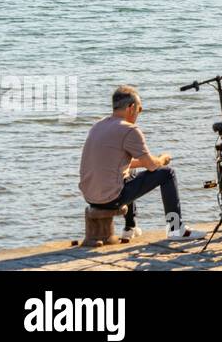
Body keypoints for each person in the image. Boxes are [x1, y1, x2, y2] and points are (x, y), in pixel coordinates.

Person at [79, 85, 204, 241]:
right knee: (167, 173)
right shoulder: (129, 130)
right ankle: (175, 229)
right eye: (140, 109)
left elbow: (114, 164)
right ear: (131, 108)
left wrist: (147, 162)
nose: (139, 113)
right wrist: (162, 159)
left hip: (90, 196)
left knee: (129, 172)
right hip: (110, 199)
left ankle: (129, 227)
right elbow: (151, 165)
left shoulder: (98, 126)